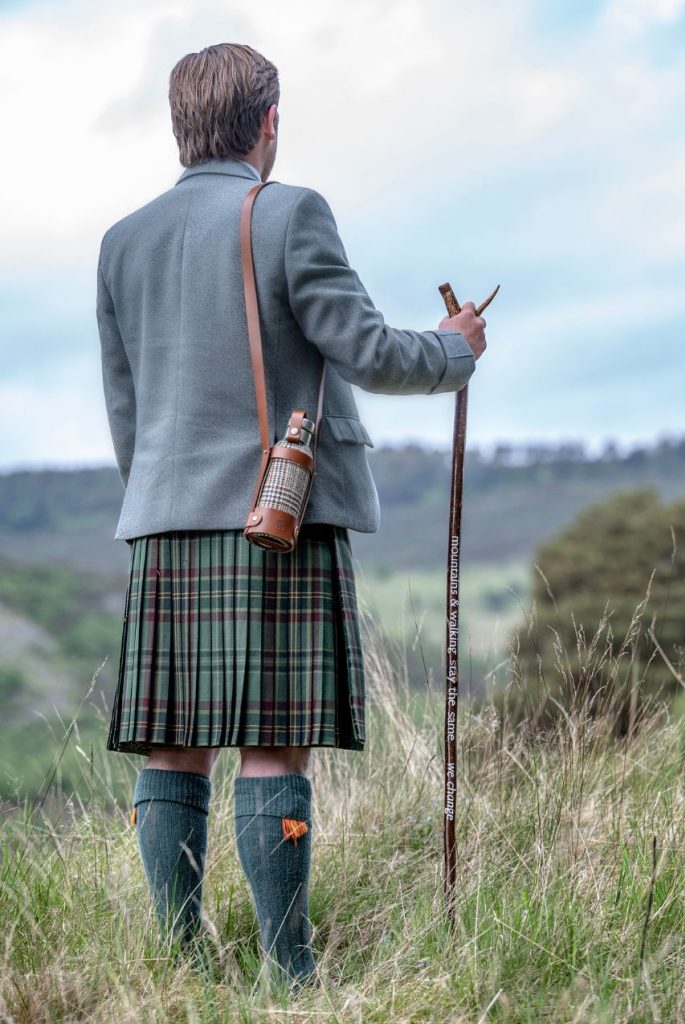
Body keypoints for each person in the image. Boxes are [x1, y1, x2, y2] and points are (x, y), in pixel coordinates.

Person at [96, 42, 487, 993]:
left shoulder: (123, 239)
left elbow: (124, 404)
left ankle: (182, 969)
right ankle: (289, 974)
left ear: (181, 124)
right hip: (275, 514)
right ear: (268, 122)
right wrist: (452, 348)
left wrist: (161, 499)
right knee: (272, 740)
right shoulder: (288, 212)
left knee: (171, 739)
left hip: (163, 515)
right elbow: (364, 350)